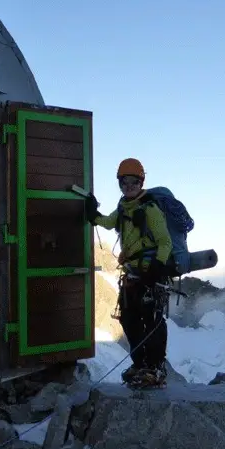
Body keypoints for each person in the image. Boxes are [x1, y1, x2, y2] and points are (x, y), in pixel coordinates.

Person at [85, 158, 173, 388]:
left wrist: (156, 268)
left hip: (150, 276)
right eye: (125, 182)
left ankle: (154, 367)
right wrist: (92, 213)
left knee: (151, 320)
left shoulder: (150, 209)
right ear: (120, 183)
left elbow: (165, 242)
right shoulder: (124, 207)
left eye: (134, 181)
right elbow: (106, 222)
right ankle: (140, 363)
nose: (129, 186)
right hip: (133, 275)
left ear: (141, 181)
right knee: (129, 318)